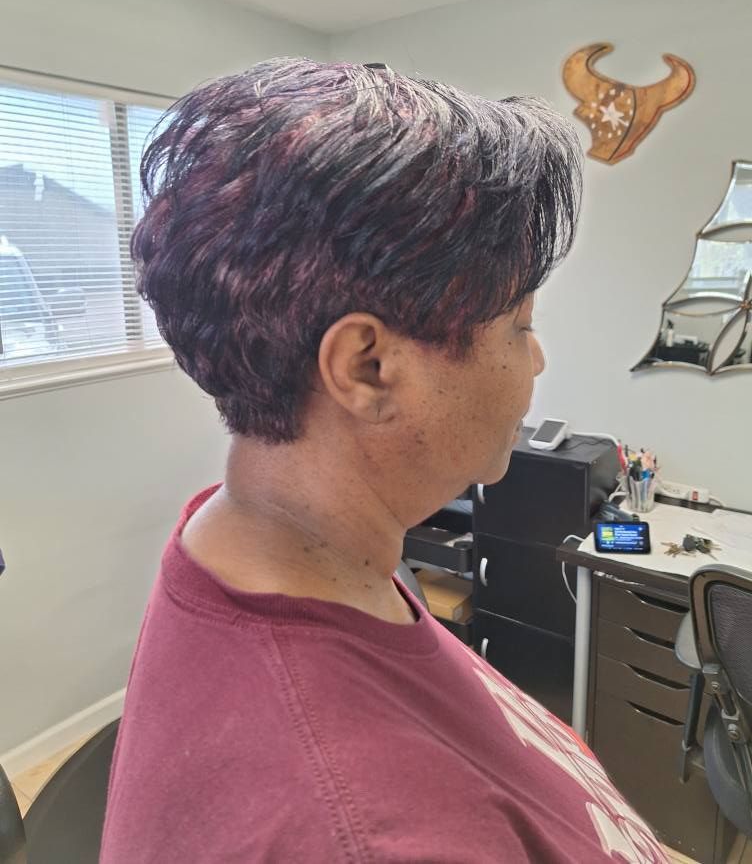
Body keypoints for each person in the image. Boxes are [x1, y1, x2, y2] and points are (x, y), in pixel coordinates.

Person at [100, 59, 668, 863]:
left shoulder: (282, 534)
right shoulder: (361, 831)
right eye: (518, 325)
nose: (536, 361)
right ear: (369, 368)